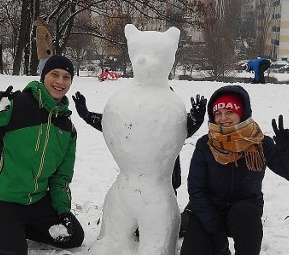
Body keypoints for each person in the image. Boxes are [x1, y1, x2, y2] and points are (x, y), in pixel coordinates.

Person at [0, 55, 84, 255]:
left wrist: (63, 210)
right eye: (54, 74)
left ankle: (15, 229)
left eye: (66, 77)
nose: (60, 82)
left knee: (73, 235)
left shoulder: (66, 128)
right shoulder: (16, 106)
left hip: (34, 200)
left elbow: (60, 177)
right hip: (1, 197)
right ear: (44, 76)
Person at [179, 85, 289, 255]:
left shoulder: (260, 143)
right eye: (218, 113)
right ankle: (219, 247)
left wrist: (286, 150)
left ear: (242, 113)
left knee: (245, 212)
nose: (223, 118)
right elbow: (196, 189)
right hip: (208, 209)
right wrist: (213, 226)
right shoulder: (205, 144)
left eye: (230, 112)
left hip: (244, 213)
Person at [71, 90, 207, 236]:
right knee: (138, 231)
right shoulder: (135, 123)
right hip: (137, 189)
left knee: (162, 232)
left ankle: (189, 213)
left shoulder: (171, 125)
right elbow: (111, 124)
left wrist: (195, 119)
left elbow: (186, 126)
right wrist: (87, 115)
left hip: (163, 189)